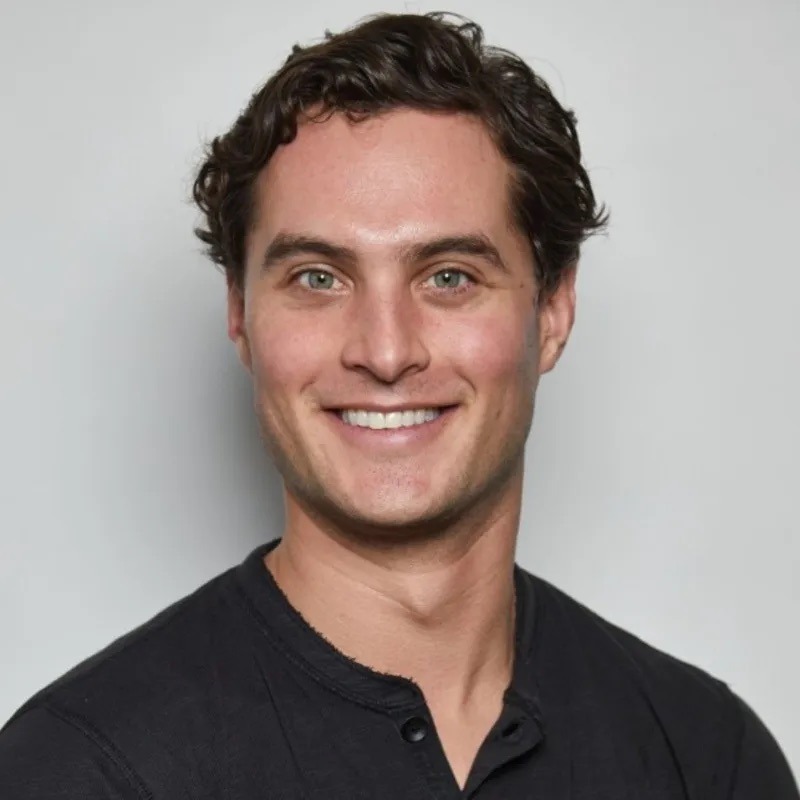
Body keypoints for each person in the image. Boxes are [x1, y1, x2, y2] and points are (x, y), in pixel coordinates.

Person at [0, 11, 797, 799]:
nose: (384, 353)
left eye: (449, 275)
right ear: (240, 316)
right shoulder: (80, 770)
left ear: (551, 312)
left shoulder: (708, 760)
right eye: (318, 277)